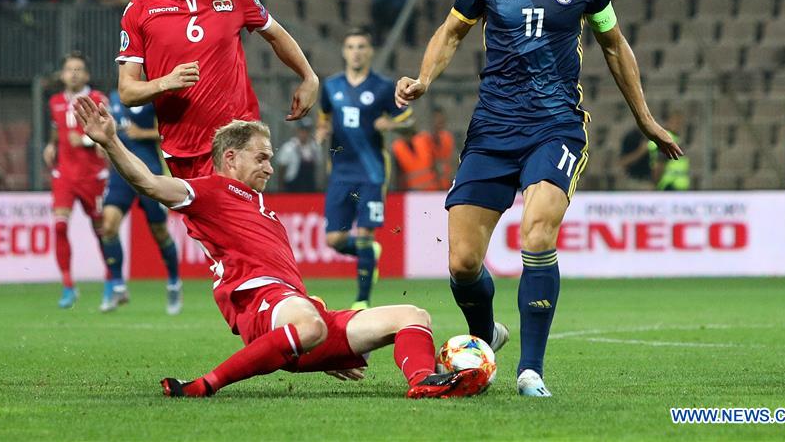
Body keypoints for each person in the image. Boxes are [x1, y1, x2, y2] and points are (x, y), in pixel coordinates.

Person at [395, 0, 682, 397]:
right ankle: (486, 336)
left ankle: (531, 370)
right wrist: (424, 79)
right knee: (462, 262)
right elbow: (453, 30)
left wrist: (644, 118)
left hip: (556, 126)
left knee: (537, 235)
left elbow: (614, 45)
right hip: (493, 127)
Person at [74, 97, 491, 400]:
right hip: (260, 307)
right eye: (261, 158)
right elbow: (149, 183)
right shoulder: (210, 191)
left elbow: (291, 293)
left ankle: (423, 382)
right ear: (231, 158)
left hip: (294, 313)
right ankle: (204, 385)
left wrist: (322, 343)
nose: (270, 167)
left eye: (270, 158)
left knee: (412, 315)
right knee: (310, 324)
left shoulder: (265, 212)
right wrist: (111, 142)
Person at [116, 0, 318, 180]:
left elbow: (276, 34)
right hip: (184, 148)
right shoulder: (140, 10)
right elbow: (127, 91)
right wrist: (165, 82)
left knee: (242, 207)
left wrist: (309, 76)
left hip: (239, 141)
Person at [316, 28, 413, 309]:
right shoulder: (331, 86)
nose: (356, 52)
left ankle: (362, 301)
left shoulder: (383, 87)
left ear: (370, 52)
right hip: (340, 173)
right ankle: (369, 253)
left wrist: (391, 124)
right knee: (334, 239)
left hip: (372, 173)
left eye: (361, 47)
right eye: (350, 47)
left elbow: (410, 123)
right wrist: (322, 130)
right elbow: (324, 117)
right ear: (344, 52)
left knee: (365, 234)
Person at [97, 91, 183, 314]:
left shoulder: (154, 97)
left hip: (149, 173)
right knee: (108, 226)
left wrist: (142, 133)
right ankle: (118, 286)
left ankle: (174, 282)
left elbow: (170, 133)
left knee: (159, 232)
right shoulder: (113, 98)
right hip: (120, 174)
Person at [43, 51, 110, 309]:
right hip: (64, 175)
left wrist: (84, 140)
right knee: (60, 226)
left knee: (102, 232)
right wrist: (51, 146)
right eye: (69, 69)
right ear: (62, 75)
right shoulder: (55, 101)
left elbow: (107, 133)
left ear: (87, 74)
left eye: (78, 69)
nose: (73, 73)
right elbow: (56, 129)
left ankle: (111, 281)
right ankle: (68, 286)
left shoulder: (97, 99)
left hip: (92, 176)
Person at [275, 117, 320, 192]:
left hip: (310, 188)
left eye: (307, 131)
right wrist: (281, 189)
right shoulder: (289, 147)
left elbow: (317, 168)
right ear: (298, 131)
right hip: (292, 188)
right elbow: (281, 169)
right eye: (302, 130)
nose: (304, 133)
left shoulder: (315, 148)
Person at [649, 111, 690, 191]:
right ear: (667, 122)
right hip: (669, 186)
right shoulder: (666, 139)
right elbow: (660, 163)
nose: (678, 125)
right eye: (675, 122)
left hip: (678, 188)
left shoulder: (676, 138)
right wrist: (654, 184)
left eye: (680, 123)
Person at [391, 124, 437, 191]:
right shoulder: (398, 148)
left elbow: (434, 163)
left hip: (433, 190)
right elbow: (398, 176)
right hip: (413, 192)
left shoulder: (423, 141)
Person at [426, 106, 455, 190]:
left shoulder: (448, 138)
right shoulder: (424, 140)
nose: (439, 121)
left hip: (446, 187)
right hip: (428, 189)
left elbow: (451, 161)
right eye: (437, 118)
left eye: (441, 119)